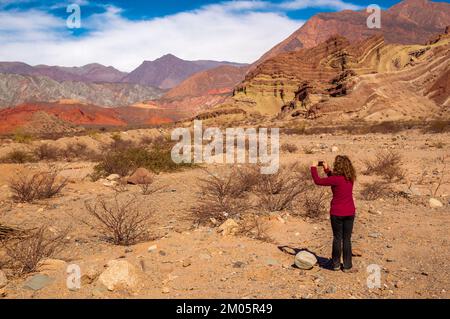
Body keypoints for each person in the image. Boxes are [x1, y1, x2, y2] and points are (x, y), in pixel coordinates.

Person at [310, 156, 357, 273]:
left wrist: (313, 167)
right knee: (347, 239)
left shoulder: (336, 179)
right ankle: (347, 266)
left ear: (338, 166)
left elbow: (318, 181)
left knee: (337, 238)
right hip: (350, 212)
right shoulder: (351, 178)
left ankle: (335, 264)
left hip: (337, 213)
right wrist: (327, 170)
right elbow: (335, 180)